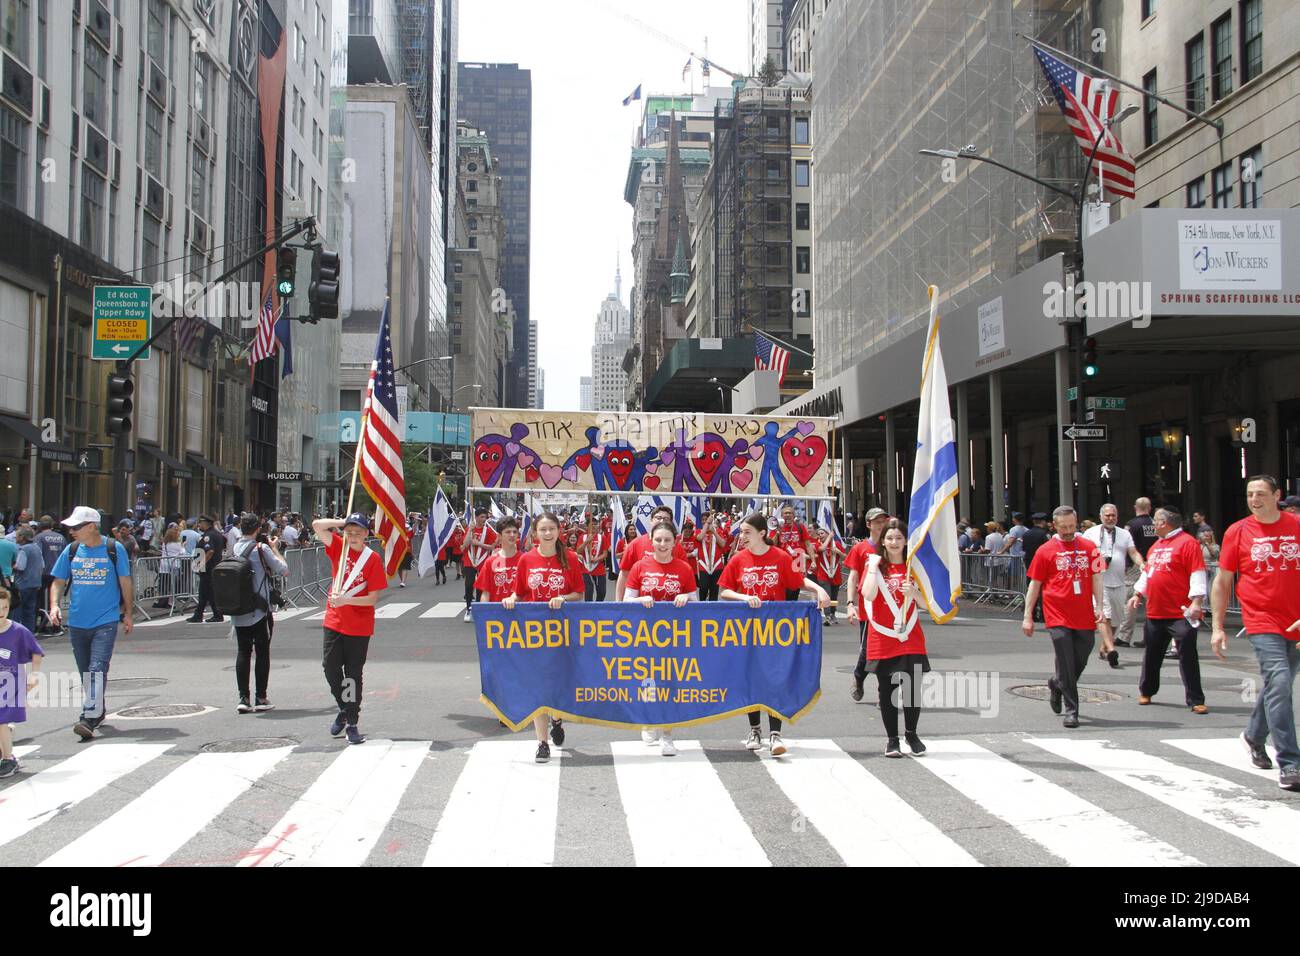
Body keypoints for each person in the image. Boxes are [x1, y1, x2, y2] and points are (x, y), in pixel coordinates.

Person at [1211, 476, 1300, 792]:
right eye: (1250, 494)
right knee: (1279, 681)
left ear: (1277, 496)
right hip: (1261, 619)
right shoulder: (1238, 531)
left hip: (1295, 620)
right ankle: (1290, 762)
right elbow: (1223, 581)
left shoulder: (1297, 526)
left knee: (1279, 685)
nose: (1254, 499)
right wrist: (1218, 627)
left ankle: (1252, 736)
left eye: (1261, 494)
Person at [719, 512, 831, 756]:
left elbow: (797, 581)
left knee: (774, 678)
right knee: (751, 678)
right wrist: (745, 597)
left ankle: (775, 734)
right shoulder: (738, 559)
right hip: (746, 629)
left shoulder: (780, 557)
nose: (743, 537)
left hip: (774, 631)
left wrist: (818, 589)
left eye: (747, 532)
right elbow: (725, 591)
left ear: (762, 533)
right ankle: (754, 729)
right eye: (741, 533)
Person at [500, 512, 584, 762]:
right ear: (535, 533)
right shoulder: (526, 559)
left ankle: (556, 718)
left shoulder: (570, 559)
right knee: (538, 686)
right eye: (542, 529)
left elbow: (579, 593)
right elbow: (520, 592)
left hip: (561, 633)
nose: (547, 534)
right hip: (534, 633)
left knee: (556, 684)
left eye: (552, 529)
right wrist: (510, 599)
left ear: (559, 531)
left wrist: (563, 598)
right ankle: (542, 742)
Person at [1021, 505, 1113, 728]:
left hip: (1083, 614)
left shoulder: (1090, 547)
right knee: (1065, 657)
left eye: (1072, 526)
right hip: (1057, 614)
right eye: (1064, 527)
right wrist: (1027, 616)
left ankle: (1056, 683)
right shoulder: (1045, 550)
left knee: (1079, 659)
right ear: (1055, 526)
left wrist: (1099, 606)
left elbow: (1098, 577)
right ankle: (1073, 710)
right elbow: (1035, 585)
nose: (1069, 531)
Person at [48, 506, 134, 740]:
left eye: (76, 527)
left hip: (105, 621)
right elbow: (58, 581)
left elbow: (125, 582)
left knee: (97, 668)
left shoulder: (113, 549)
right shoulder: (72, 550)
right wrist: (54, 605)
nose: (72, 531)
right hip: (77, 622)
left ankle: (88, 717)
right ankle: (98, 709)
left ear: (92, 527)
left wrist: (128, 613)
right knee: (86, 670)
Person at [312, 513, 389, 745]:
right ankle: (344, 708)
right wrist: (341, 523)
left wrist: (347, 600)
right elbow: (317, 526)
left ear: (366, 534)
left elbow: (373, 598)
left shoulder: (372, 559)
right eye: (349, 532)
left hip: (359, 625)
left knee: (353, 675)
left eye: (358, 532)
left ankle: (352, 722)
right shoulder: (339, 547)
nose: (353, 536)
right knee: (330, 668)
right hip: (334, 620)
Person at [625, 520, 699, 756]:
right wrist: (640, 600)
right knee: (648, 679)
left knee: (670, 683)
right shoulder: (639, 567)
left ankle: (667, 734)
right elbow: (627, 601)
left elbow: (696, 601)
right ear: (651, 541)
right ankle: (649, 720)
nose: (663, 544)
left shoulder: (684, 568)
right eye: (658, 539)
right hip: (644, 636)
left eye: (667, 540)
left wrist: (686, 598)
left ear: (674, 541)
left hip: (674, 637)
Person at [859, 520, 931, 757]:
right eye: (889, 538)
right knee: (886, 691)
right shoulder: (877, 567)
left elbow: (928, 605)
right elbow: (868, 594)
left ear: (905, 540)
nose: (893, 543)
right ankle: (892, 740)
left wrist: (915, 593)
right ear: (883, 541)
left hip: (911, 637)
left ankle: (911, 733)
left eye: (898, 538)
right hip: (883, 638)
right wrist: (871, 567)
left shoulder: (914, 567)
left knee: (912, 690)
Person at [1126, 507, 1208, 714]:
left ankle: (1196, 699)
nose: (1152, 524)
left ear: (1165, 523)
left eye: (1155, 521)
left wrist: (1197, 601)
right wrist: (1138, 593)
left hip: (1180, 612)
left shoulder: (1188, 543)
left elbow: (1197, 573)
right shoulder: (1156, 546)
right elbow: (1149, 573)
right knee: (1152, 655)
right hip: (1155, 611)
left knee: (1188, 655)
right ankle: (1146, 691)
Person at [229, 514, 290, 714]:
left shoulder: (234, 548)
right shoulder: (260, 548)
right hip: (259, 609)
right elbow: (283, 570)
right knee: (262, 652)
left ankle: (243, 698)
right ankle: (260, 697)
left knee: (243, 652)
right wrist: (274, 548)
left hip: (238, 608)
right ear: (257, 529)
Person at [1083, 503, 1144, 652]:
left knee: (1117, 619)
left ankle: (1105, 646)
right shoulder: (1090, 533)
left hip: (1119, 582)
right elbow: (1082, 554)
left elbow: (1133, 552)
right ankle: (1111, 649)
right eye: (1107, 515)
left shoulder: (1124, 534)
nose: (1110, 518)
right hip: (1099, 582)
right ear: (1101, 516)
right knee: (1105, 616)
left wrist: (1141, 564)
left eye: (1113, 516)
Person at [844, 507, 890, 701]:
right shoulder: (860, 548)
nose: (881, 525)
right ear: (869, 524)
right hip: (868, 609)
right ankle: (859, 676)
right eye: (877, 522)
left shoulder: (892, 545)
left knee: (887, 652)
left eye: (883, 521)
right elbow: (853, 577)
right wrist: (849, 603)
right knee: (868, 651)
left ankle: (884, 693)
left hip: (890, 609)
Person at [0, 586, 43, 778]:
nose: (1, 613)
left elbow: (36, 652)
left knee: (0, 720)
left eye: (5, 608)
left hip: (12, 683)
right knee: (2, 723)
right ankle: (6, 736)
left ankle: (9, 759)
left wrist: (34, 674)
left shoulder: (18, 631)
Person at [614, 505, 685, 600]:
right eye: (658, 518)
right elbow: (624, 575)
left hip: (671, 606)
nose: (662, 521)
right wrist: (619, 604)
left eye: (666, 519)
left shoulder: (677, 547)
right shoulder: (635, 544)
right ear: (651, 521)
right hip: (641, 606)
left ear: (671, 523)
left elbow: (685, 577)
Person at [1122, 497, 1159, 646]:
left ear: (1135, 507)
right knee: (1152, 602)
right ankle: (1149, 637)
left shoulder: (1131, 525)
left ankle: (1124, 637)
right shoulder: (1156, 524)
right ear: (1149, 508)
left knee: (1130, 601)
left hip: (1136, 566)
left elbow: (1126, 546)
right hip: (1154, 564)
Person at [460, 509, 497, 621]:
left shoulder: (489, 531)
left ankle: (479, 608)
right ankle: (469, 608)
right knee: (469, 584)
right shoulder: (469, 529)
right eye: (481, 517)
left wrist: (478, 544)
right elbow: (463, 546)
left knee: (481, 586)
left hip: (483, 561)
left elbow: (492, 547)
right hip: (469, 560)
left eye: (485, 517)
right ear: (476, 517)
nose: (483, 519)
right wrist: (469, 531)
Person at [188, 515, 226, 624]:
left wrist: (200, 565)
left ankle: (216, 614)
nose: (199, 525)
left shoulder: (208, 536)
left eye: (201, 523)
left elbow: (210, 551)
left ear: (206, 523)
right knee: (205, 593)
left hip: (208, 568)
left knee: (208, 592)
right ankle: (199, 614)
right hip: (212, 567)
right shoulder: (217, 534)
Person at [477, 517, 523, 604]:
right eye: (508, 532)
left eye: (515, 532)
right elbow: (486, 593)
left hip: (521, 614)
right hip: (497, 614)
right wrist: (484, 614)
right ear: (499, 536)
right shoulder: (490, 561)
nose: (512, 535)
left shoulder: (525, 559)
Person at [12, 527, 44, 634]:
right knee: (30, 611)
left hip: (23, 584)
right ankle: (29, 633)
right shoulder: (37, 548)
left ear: (22, 537)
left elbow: (20, 567)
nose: (15, 537)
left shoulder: (23, 549)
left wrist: (13, 566)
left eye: (17, 535)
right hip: (35, 584)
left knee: (17, 610)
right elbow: (42, 565)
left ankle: (15, 634)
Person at [814, 526, 846, 626]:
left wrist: (838, 552)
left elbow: (846, 557)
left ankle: (832, 613)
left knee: (833, 597)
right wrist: (829, 538)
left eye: (822, 533)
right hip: (823, 574)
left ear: (827, 534)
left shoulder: (836, 544)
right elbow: (822, 549)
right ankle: (827, 615)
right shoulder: (817, 544)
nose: (820, 535)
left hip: (835, 574)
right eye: (818, 534)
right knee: (825, 596)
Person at [774, 504, 816, 578]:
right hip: (782, 564)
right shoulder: (776, 528)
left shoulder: (800, 527)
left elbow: (808, 545)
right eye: (785, 513)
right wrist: (777, 533)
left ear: (793, 515)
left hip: (799, 565)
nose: (788, 515)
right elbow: (772, 545)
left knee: (797, 588)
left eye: (790, 513)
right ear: (781, 515)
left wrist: (813, 561)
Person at [695, 512, 729, 601]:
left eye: (706, 519)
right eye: (702, 520)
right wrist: (706, 525)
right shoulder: (698, 531)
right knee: (703, 589)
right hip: (703, 566)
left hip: (717, 566)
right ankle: (701, 611)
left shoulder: (718, 531)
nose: (704, 521)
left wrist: (713, 531)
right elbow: (699, 538)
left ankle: (713, 612)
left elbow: (722, 544)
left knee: (714, 591)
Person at [577, 512, 610, 603]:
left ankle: (597, 607)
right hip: (586, 569)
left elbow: (605, 553)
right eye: (592, 524)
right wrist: (586, 542)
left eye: (596, 524)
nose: (594, 526)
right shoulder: (582, 537)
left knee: (602, 592)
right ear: (587, 527)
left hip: (599, 568)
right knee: (588, 590)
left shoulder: (602, 537)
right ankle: (589, 609)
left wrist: (596, 559)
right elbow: (578, 551)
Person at [154, 526, 186, 610]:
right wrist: (183, 545)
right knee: (173, 585)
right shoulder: (178, 544)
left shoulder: (165, 543)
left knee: (164, 585)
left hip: (163, 566)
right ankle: (170, 602)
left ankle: (161, 600)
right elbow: (183, 553)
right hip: (174, 566)